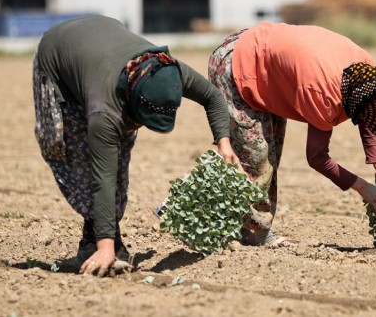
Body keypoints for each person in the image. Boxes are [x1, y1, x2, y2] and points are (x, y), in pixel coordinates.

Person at [32, 15, 239, 276]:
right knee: (75, 154)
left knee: (119, 151)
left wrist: (224, 143)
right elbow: (102, 178)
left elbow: (212, 96)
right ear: (132, 99)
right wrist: (107, 247)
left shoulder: (168, 69)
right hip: (57, 57)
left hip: (102, 43)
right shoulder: (104, 111)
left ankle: (99, 237)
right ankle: (98, 242)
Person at [208, 21, 376, 247]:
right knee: (256, 158)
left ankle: (256, 232)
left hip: (267, 64)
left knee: (269, 157)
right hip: (236, 65)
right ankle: (236, 229)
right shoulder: (323, 93)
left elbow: (367, 109)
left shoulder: (368, 73)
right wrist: (360, 186)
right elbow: (317, 157)